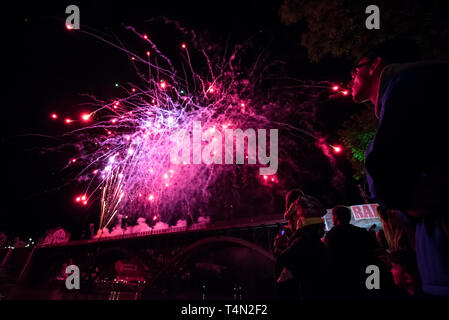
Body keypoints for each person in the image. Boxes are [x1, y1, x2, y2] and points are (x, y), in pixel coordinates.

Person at [347, 38, 449, 297]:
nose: (351, 78)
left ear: (375, 65)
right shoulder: (416, 87)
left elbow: (381, 172)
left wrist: (412, 204)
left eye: (355, 69)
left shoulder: (406, 84)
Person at [276, 190, 333, 300]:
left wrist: (282, 248)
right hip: (321, 287)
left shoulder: (299, 241)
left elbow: (283, 259)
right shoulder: (320, 245)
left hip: (305, 288)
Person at [325, 205, 382, 299]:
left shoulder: (330, 236)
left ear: (335, 217)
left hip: (345, 279)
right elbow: (375, 251)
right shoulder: (361, 232)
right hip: (365, 276)